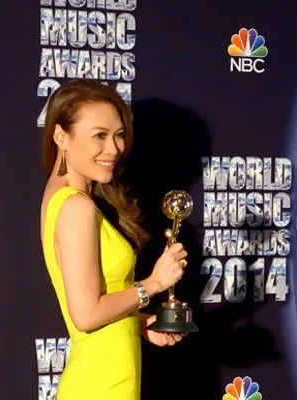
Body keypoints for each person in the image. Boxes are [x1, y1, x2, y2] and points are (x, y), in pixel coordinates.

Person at [39, 79, 188, 400]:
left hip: (110, 379)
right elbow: (86, 314)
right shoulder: (76, 206)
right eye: (99, 136)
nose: (114, 149)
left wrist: (137, 322)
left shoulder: (66, 198)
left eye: (119, 135)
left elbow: (96, 306)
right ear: (61, 136)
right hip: (100, 386)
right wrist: (154, 283)